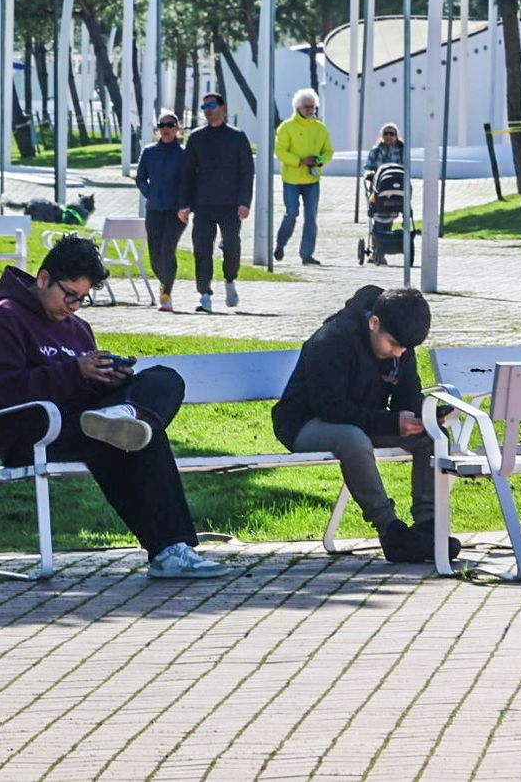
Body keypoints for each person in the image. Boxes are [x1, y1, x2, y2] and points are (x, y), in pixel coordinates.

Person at [0, 235, 229, 578]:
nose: (72, 306)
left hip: (82, 421)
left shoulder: (76, 328)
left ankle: (123, 414)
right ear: (43, 279)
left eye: (82, 299)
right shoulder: (4, 318)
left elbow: (80, 383)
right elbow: (3, 392)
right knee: (138, 439)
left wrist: (108, 377)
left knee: (163, 381)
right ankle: (170, 550)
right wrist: (74, 371)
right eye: (69, 295)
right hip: (31, 431)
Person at [272, 285, 458, 564]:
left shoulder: (400, 342)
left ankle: (429, 527)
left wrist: (424, 415)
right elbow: (330, 408)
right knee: (352, 438)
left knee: (433, 435)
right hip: (305, 424)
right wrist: (392, 422)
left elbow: (405, 395)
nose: (398, 354)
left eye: (404, 349)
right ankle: (391, 532)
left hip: (360, 421)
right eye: (393, 345)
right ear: (374, 323)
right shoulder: (330, 341)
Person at [179, 91, 253, 314]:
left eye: (211, 105)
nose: (208, 110)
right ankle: (204, 294)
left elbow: (247, 172)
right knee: (201, 250)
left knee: (231, 245)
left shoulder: (237, 137)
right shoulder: (197, 138)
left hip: (230, 205)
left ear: (223, 108)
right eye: (204, 107)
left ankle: (230, 280)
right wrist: (184, 203)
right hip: (203, 205)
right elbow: (187, 173)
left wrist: (244, 202)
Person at [274, 87, 333, 266]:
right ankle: (280, 244)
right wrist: (300, 161)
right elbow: (280, 151)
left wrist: (320, 160)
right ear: (298, 107)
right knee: (291, 213)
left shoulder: (320, 128)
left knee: (311, 217)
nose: (310, 110)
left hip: (312, 180)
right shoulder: (286, 127)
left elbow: (328, 151)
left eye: (313, 107)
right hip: (291, 179)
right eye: (307, 106)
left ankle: (306, 255)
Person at [136, 109, 186, 312]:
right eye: (162, 126)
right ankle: (164, 281)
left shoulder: (184, 154)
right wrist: (151, 193)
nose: (165, 129)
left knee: (168, 248)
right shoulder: (149, 152)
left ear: (177, 128)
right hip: (155, 209)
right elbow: (140, 178)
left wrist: (186, 204)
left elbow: (190, 181)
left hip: (176, 211)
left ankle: (167, 293)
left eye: (169, 125)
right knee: (155, 254)